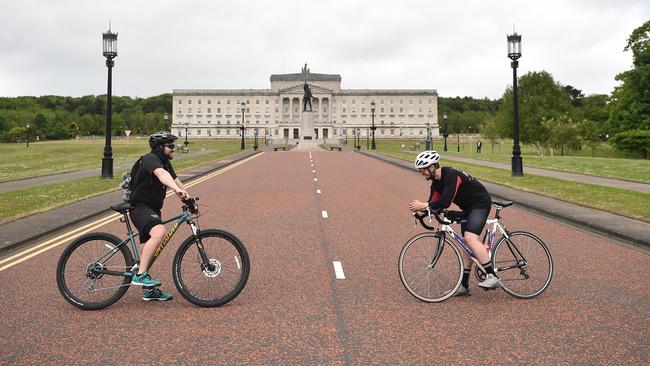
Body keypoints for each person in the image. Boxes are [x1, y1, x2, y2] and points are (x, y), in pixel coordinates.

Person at [408, 150, 500, 296]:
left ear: (432, 167)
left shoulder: (451, 175)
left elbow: (445, 201)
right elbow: (435, 204)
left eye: (423, 169)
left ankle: (492, 276)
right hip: (467, 208)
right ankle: (464, 286)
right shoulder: (436, 184)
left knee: (470, 238)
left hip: (480, 203)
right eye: (420, 170)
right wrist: (421, 214)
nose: (421, 173)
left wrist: (423, 205)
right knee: (466, 245)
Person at [130, 131, 189, 301]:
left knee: (149, 249)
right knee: (159, 232)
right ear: (160, 147)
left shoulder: (164, 162)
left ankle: (148, 290)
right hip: (140, 207)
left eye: (173, 145)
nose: (173, 149)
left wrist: (188, 197)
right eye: (170, 146)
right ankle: (140, 275)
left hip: (153, 209)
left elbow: (175, 180)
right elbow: (162, 176)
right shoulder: (150, 159)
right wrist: (177, 191)